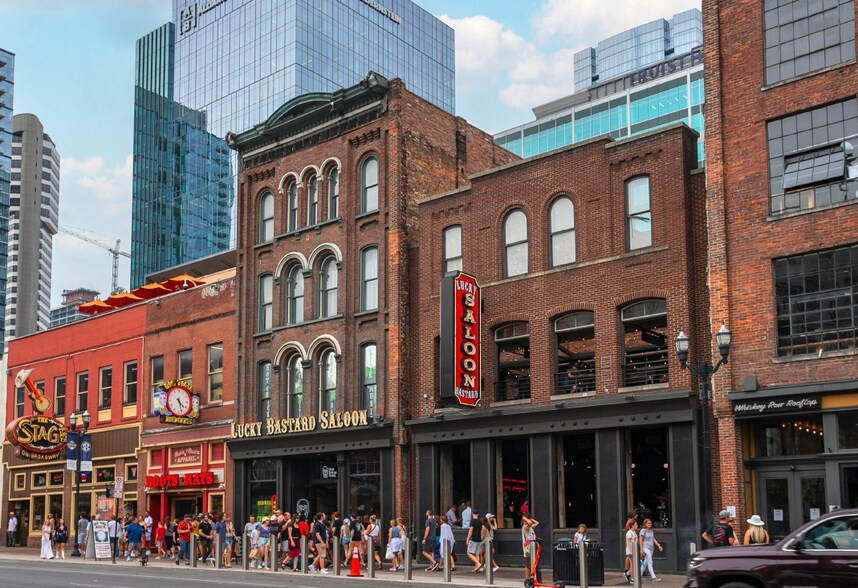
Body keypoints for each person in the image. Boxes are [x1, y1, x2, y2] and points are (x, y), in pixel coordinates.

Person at [521, 515, 538, 579]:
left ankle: (530, 577)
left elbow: (537, 523)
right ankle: (527, 578)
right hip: (527, 547)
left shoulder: (530, 527)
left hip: (532, 546)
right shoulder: (525, 527)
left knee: (531, 563)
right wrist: (524, 518)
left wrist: (531, 519)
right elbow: (530, 523)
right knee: (527, 563)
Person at [623, 519, 639, 584]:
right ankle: (631, 577)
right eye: (636, 525)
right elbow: (628, 543)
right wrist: (630, 551)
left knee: (634, 564)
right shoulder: (629, 532)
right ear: (632, 525)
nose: (637, 526)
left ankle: (628, 573)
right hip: (631, 550)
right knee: (632, 564)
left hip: (634, 549)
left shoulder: (634, 532)